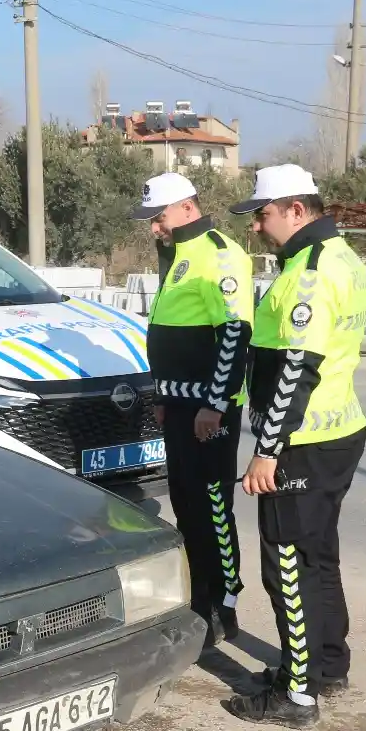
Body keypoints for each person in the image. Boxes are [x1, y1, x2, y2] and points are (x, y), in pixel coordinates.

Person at [223, 165, 366, 729]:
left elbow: (296, 372)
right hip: (338, 434)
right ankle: (325, 666)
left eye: (262, 214)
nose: (257, 227)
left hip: (302, 443)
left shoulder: (309, 273)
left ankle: (298, 694)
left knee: (286, 566)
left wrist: (267, 450)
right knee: (318, 557)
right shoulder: (342, 257)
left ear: (296, 210)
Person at [132, 172, 253, 647]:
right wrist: (163, 398)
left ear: (186, 208)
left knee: (214, 508)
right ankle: (196, 597)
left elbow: (233, 334)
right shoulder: (178, 253)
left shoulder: (220, 254)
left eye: (158, 218)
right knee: (185, 503)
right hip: (179, 404)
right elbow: (173, 329)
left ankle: (223, 604)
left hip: (209, 409)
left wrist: (215, 404)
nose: (153, 228)